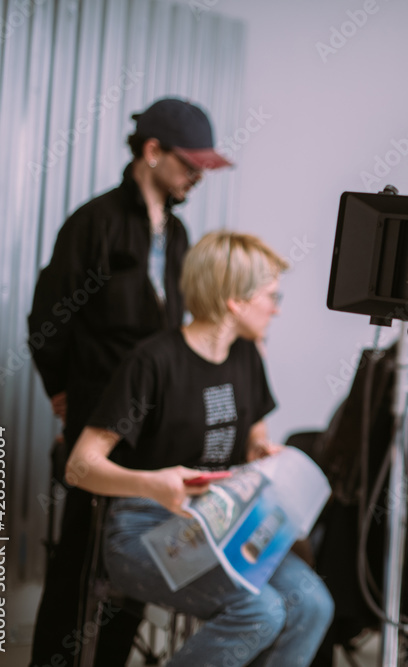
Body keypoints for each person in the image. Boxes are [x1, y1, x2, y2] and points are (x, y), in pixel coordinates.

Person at [65, 231, 334, 666]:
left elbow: (253, 439)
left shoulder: (246, 355)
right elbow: (79, 466)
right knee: (258, 611)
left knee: (313, 605)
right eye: (270, 296)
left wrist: (263, 452)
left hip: (223, 524)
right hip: (144, 529)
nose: (277, 307)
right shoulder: (151, 361)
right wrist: (153, 484)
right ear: (235, 301)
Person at [27, 97, 232, 666]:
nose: (196, 176)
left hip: (153, 432)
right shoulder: (93, 224)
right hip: (99, 426)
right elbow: (47, 322)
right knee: (78, 568)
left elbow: (181, 331)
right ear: (152, 151)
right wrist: (63, 394)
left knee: (139, 568)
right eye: (189, 163)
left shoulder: (182, 233)